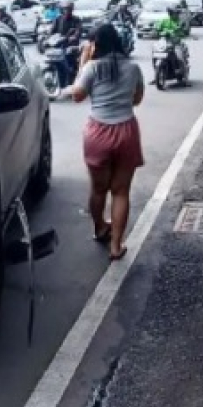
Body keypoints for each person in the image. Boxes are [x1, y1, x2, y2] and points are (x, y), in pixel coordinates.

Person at [67, 22, 145, 261]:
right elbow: (137, 100)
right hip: (126, 131)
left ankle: (99, 227)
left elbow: (77, 96)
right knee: (121, 191)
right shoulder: (133, 68)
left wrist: (83, 63)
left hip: (97, 134)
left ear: (96, 44)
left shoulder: (92, 67)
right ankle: (116, 247)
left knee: (98, 189)